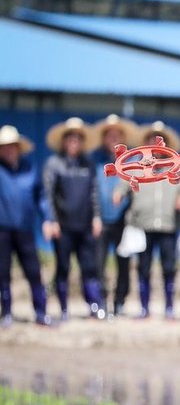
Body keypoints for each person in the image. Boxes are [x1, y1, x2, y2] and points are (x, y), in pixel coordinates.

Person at [119, 121, 180, 320]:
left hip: (168, 226)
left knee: (169, 268)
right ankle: (144, 307)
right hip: (143, 225)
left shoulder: (175, 167)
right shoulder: (136, 169)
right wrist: (118, 194)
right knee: (143, 267)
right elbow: (122, 185)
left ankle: (169, 307)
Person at [42, 117, 104, 321]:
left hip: (85, 225)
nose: (74, 142)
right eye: (70, 138)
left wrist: (96, 217)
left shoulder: (89, 165)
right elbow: (48, 194)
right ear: (64, 141)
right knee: (63, 267)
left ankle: (95, 306)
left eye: (78, 138)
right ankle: (64, 309)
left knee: (89, 267)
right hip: (64, 226)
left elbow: (94, 193)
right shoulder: (54, 164)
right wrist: (51, 220)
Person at [0, 125, 52, 327]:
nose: (9, 150)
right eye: (4, 146)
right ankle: (7, 314)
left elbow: (41, 197)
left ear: (18, 148)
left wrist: (48, 218)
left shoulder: (30, 169)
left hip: (25, 229)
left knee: (34, 271)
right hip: (2, 230)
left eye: (12, 146)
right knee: (2, 273)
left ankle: (41, 313)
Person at [92, 114, 139, 316]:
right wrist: (95, 215)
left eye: (116, 135)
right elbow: (92, 189)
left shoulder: (131, 160)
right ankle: (101, 301)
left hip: (124, 222)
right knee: (98, 263)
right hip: (101, 221)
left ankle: (119, 301)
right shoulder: (94, 160)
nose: (113, 139)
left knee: (123, 263)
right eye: (109, 135)